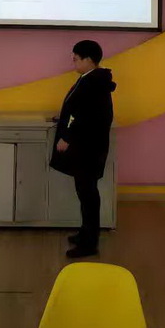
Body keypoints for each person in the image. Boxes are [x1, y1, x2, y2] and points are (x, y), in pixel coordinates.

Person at [50, 40, 116, 259]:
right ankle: (86, 233)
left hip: (88, 148)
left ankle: (89, 243)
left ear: (88, 59)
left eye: (76, 59)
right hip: (88, 147)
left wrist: (66, 137)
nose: (73, 62)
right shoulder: (90, 79)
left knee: (88, 194)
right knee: (85, 192)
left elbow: (85, 117)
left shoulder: (93, 83)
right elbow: (78, 109)